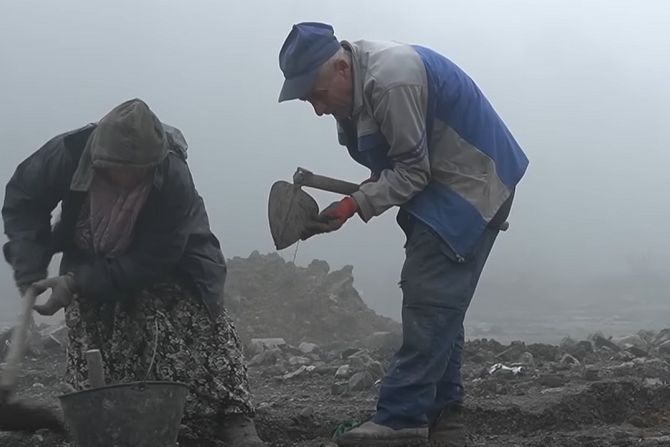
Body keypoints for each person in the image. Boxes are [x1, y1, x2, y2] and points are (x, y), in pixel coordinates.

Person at [278, 23, 529, 447]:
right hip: (437, 186)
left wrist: (356, 204)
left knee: (428, 295)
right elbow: (394, 165)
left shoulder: (391, 80)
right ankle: (444, 418)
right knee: (441, 304)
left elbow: (412, 171)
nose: (317, 109)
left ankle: (402, 418)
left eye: (317, 95)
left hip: (470, 182)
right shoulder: (353, 94)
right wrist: (355, 201)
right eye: (308, 101)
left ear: (340, 67)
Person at [2, 98, 265, 446]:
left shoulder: (172, 176)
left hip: (178, 268)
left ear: (153, 164)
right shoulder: (68, 154)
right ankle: (113, 415)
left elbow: (154, 258)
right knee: (96, 340)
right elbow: (24, 199)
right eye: (115, 170)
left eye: (135, 172)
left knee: (191, 332)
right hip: (92, 256)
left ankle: (233, 417)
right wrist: (29, 265)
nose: (125, 180)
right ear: (97, 158)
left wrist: (75, 281)